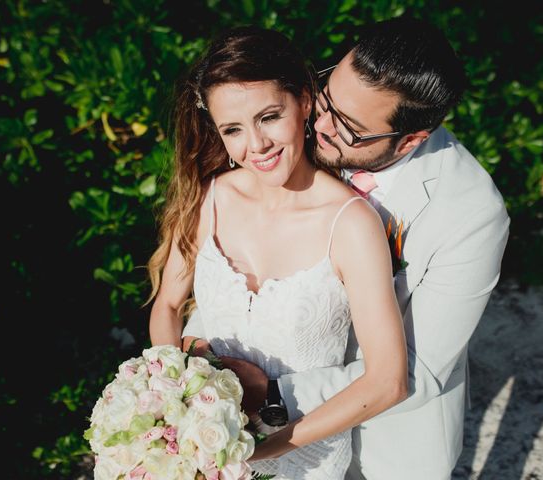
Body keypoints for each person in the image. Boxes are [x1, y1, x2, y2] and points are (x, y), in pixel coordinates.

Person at [193, 16, 511, 480]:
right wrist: (203, 351)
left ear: (410, 140)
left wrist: (269, 391)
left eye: (350, 128)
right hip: (252, 411)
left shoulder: (471, 215)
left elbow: (421, 370)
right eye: (325, 100)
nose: (320, 127)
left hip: (386, 443)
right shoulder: (304, 133)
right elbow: (240, 253)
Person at [147, 26, 408, 479]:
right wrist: (176, 403)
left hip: (305, 456)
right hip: (203, 453)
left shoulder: (351, 224)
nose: (256, 145)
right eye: (233, 129)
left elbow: (389, 382)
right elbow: (168, 305)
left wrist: (260, 449)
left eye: (269, 116)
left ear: (305, 102)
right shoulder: (209, 199)